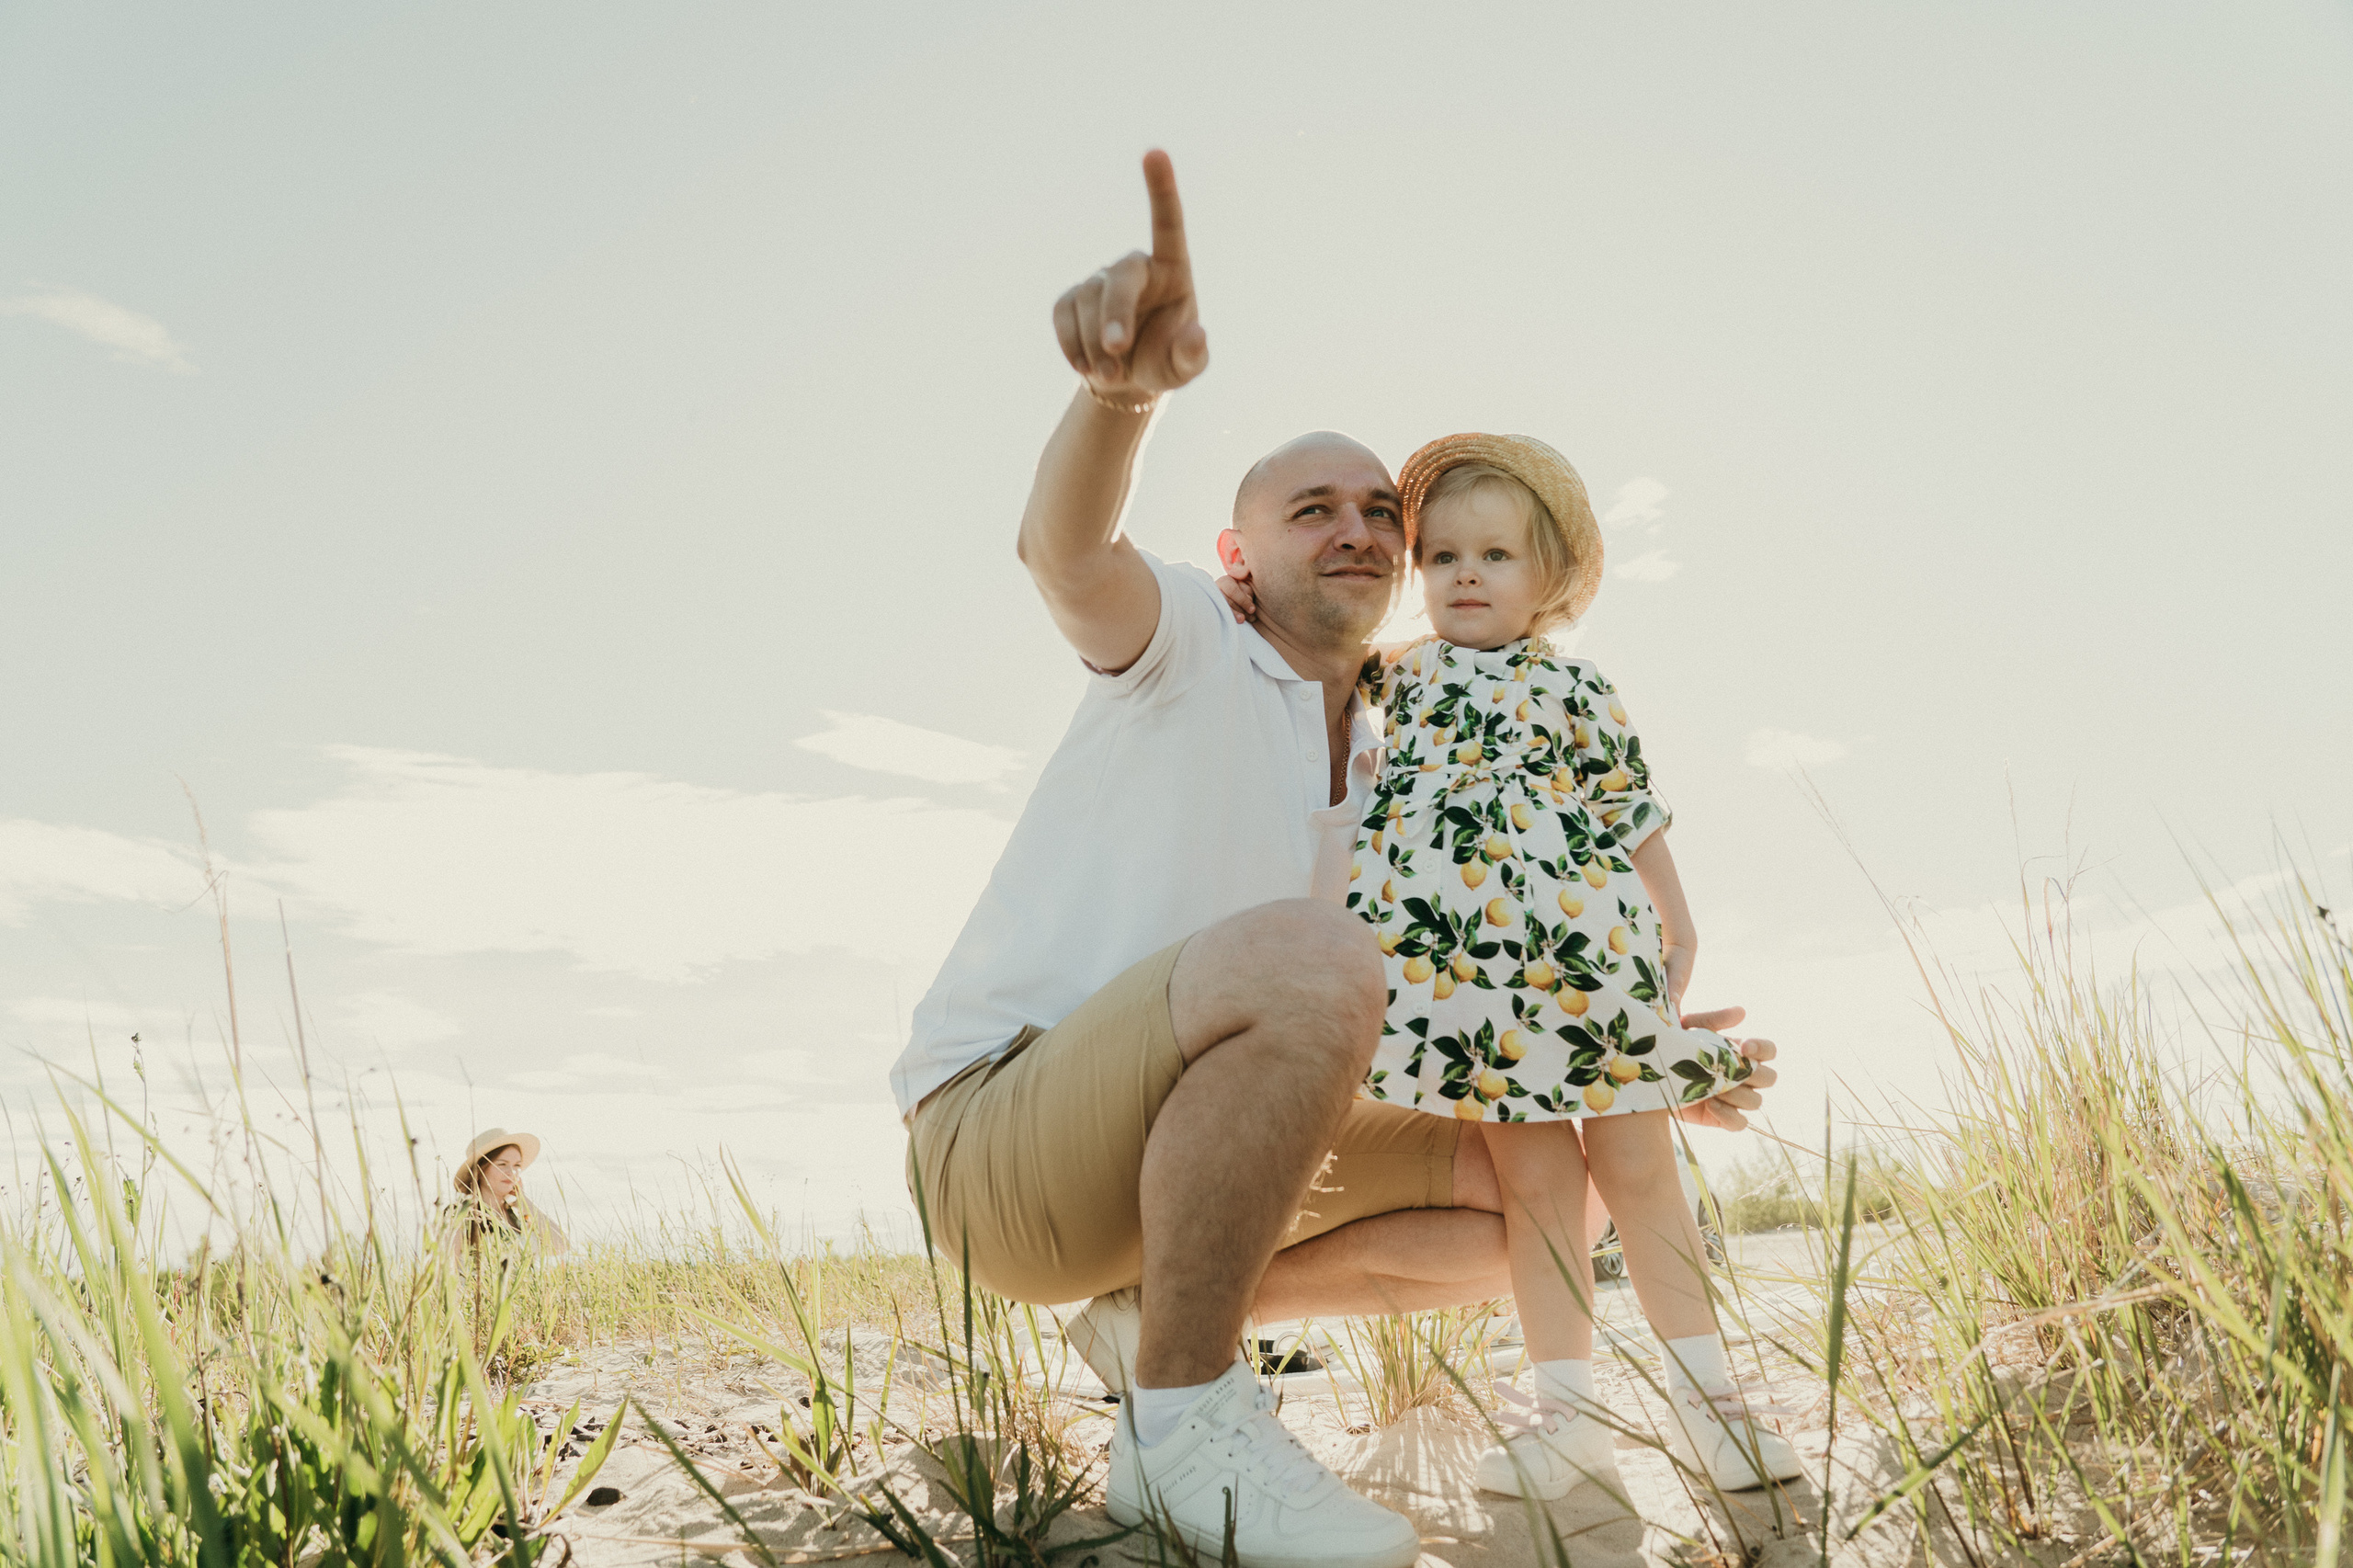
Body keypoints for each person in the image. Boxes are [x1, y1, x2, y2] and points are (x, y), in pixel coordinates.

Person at [891, 152, 1779, 1568]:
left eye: (1382, 514)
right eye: (1315, 509)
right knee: (1316, 954)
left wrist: (1624, 1043)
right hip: (1006, 1135)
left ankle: (1159, 1328)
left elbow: (1454, 1007)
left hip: (1179, 1156)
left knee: (1545, 1180)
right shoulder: (1187, 640)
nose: (1359, 528)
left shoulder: (1406, 753)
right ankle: (1187, 1428)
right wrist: (1120, 397)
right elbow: (1066, 552)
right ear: (1238, 552)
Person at [1224, 434, 1802, 1494]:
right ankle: (1566, 1420)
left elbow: (1631, 807)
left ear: (1548, 576)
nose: (1466, 574)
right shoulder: (1391, 675)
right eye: (1442, 555)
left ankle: (1713, 1405)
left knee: (1639, 1169)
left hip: (1591, 952)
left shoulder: (1575, 685)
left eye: (1495, 555)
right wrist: (1240, 594)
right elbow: (1288, 650)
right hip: (1465, 981)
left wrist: (1677, 925)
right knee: (1534, 1186)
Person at [450, 1128, 570, 1256]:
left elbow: (561, 1246)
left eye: (517, 1165)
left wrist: (523, 1202)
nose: (511, 1172)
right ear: (479, 1171)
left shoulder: (519, 1216)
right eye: (502, 1164)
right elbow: (446, 1264)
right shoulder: (461, 1214)